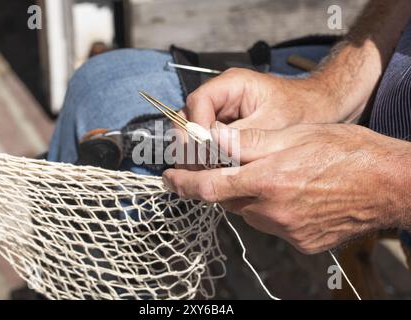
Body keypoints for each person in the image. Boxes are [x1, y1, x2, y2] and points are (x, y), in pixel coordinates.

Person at [49, 0, 411, 260]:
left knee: (128, 159)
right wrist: (328, 92)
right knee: (103, 92)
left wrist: (389, 185)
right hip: (385, 80)